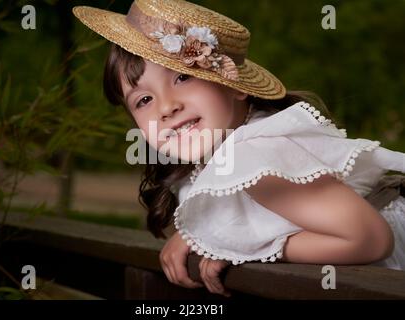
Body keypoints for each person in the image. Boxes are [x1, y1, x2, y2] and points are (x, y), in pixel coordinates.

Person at [73, 0, 405, 298]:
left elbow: (370, 240)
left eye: (183, 77)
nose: (166, 107)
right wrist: (200, 236)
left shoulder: (253, 155)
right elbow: (259, 213)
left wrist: (245, 249)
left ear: (235, 87)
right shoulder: (226, 157)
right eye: (143, 100)